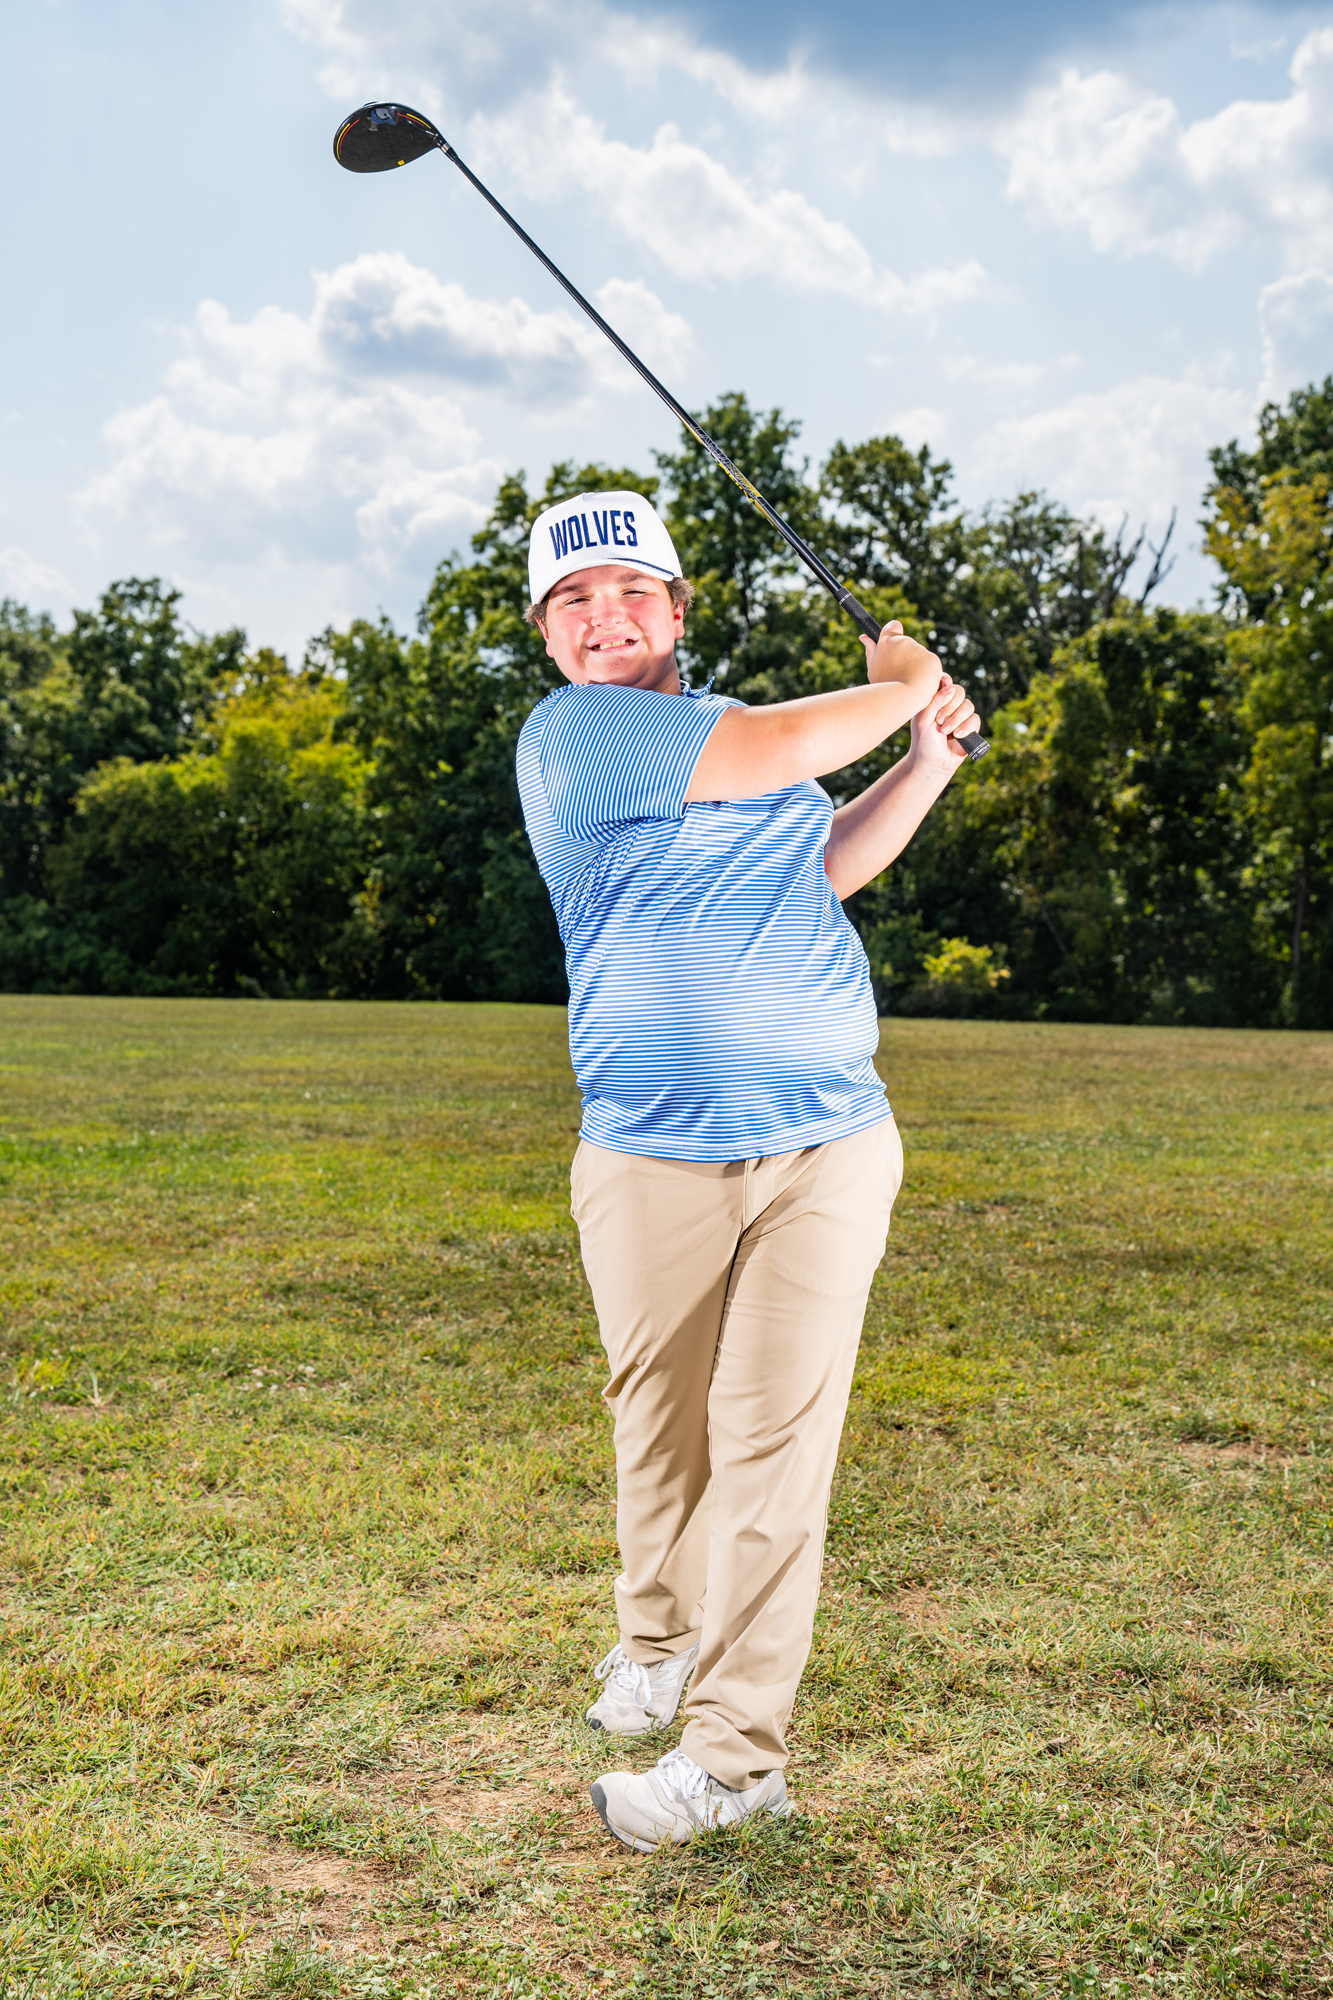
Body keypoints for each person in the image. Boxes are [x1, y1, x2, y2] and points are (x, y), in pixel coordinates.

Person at [516, 489, 978, 1853]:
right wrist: (903, 678)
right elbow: (786, 740)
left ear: (676, 607)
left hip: (830, 1141)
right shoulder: (576, 735)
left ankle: (731, 1759)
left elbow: (819, 866)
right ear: (547, 634)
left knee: (776, 1445)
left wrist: (925, 762)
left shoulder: (741, 742)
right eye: (573, 601)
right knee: (664, 1427)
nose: (605, 617)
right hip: (652, 1152)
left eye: (631, 591)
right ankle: (657, 1642)